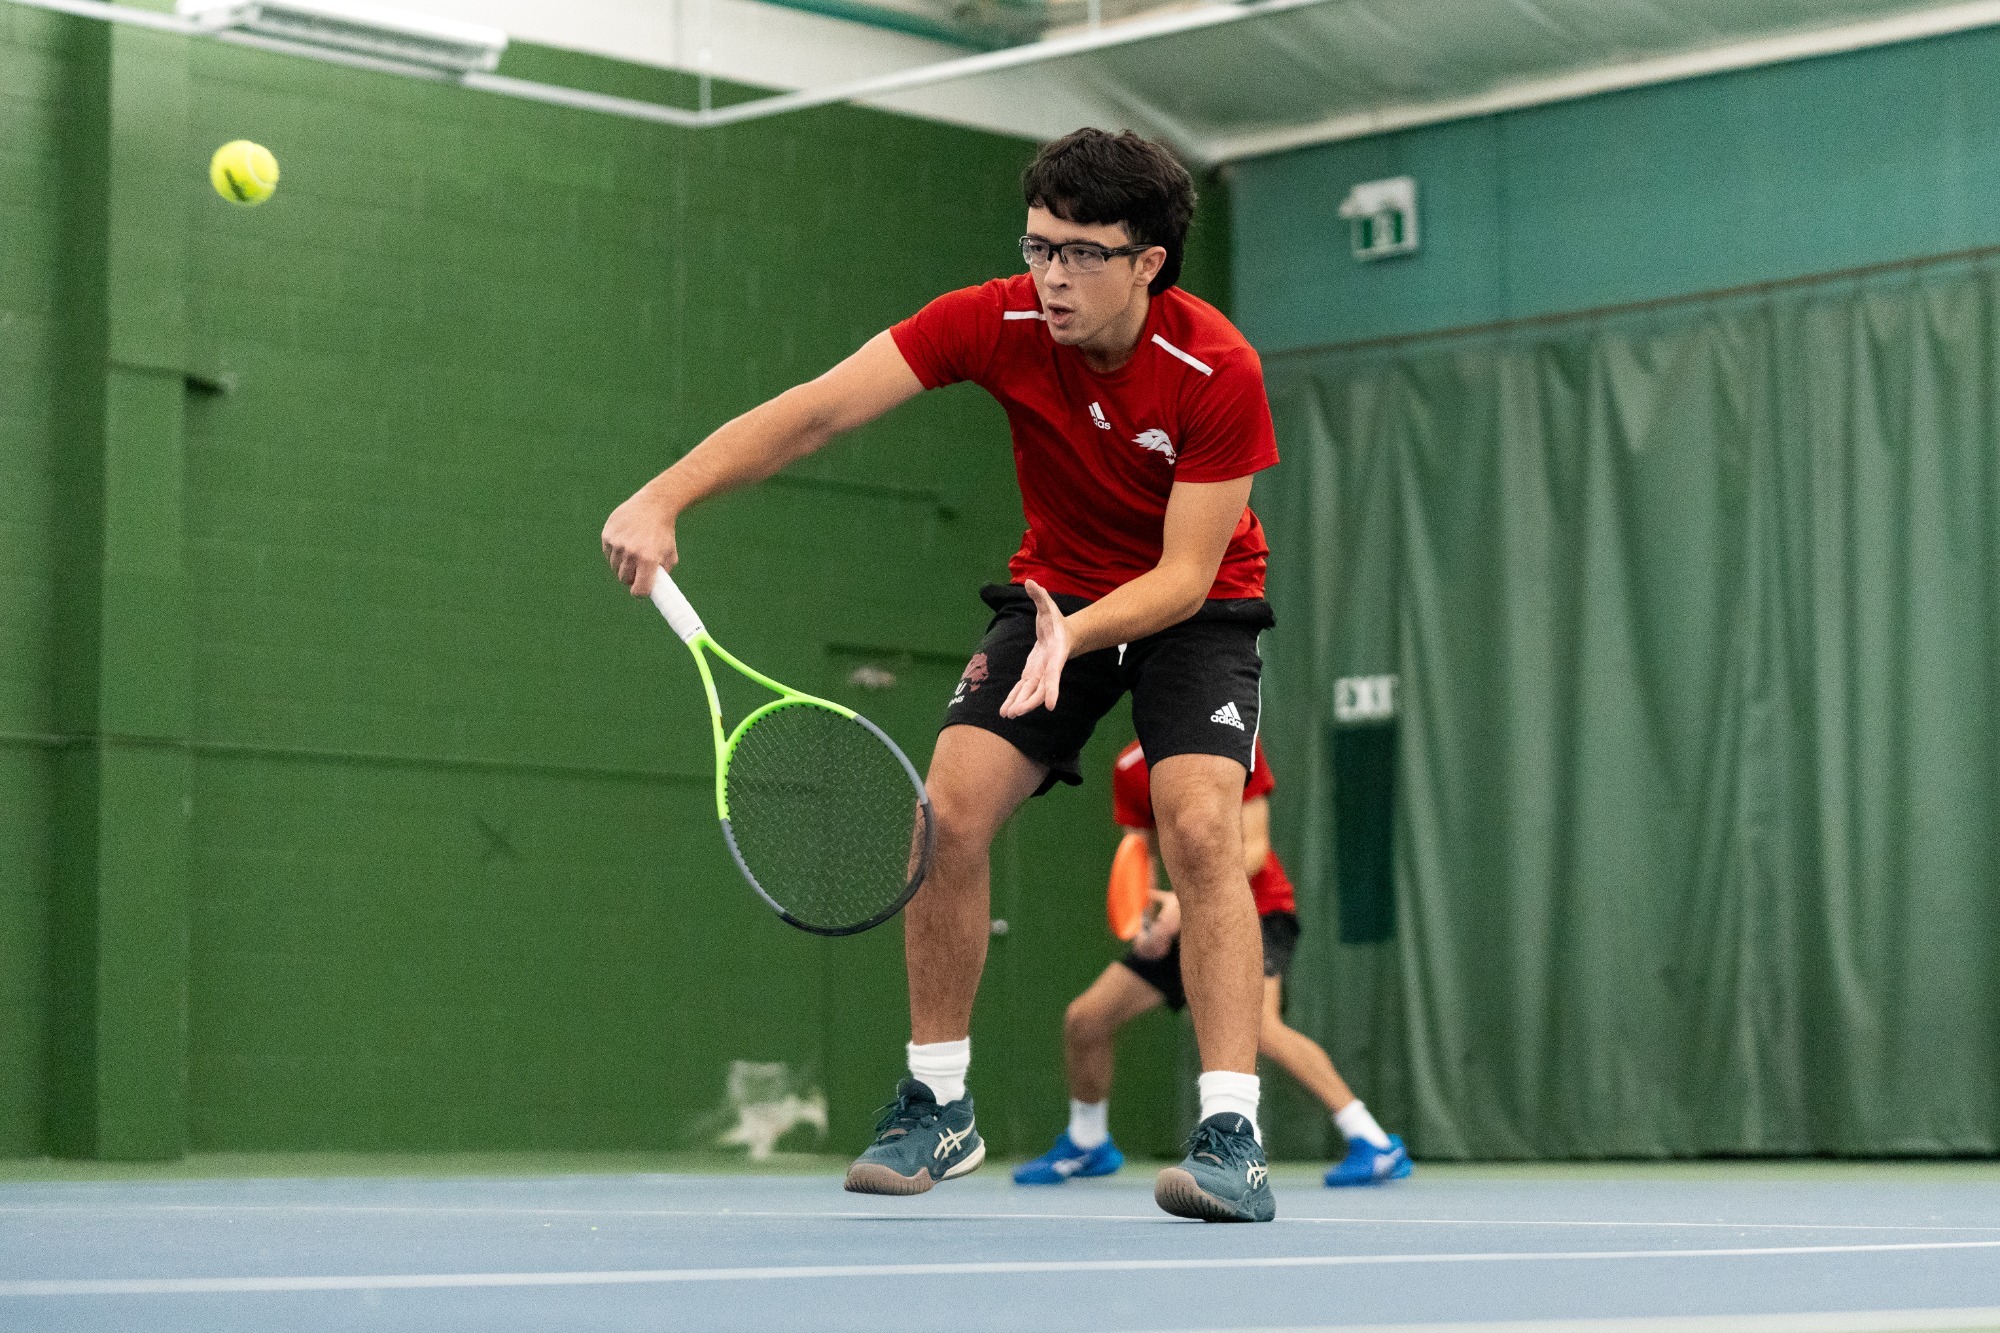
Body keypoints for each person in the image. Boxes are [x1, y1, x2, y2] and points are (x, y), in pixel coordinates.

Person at [602, 128, 1282, 1222]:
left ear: (1148, 261)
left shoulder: (1217, 371)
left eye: (1081, 254)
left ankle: (1231, 1132)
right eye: (1037, 246)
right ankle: (938, 1100)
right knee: (946, 817)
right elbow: (820, 407)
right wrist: (662, 495)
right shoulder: (994, 317)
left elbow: (1185, 573)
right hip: (1048, 592)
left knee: (1198, 826)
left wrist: (1084, 637)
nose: (1050, 276)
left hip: (1188, 610)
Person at [1014, 739, 1412, 1188]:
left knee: (1257, 1029)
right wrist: (1146, 920)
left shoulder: (1233, 741)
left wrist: (1181, 905)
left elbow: (1255, 850)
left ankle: (1373, 1142)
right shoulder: (1129, 766)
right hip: (1185, 918)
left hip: (1257, 910)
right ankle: (1088, 1142)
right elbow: (1137, 855)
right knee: (1086, 1020)